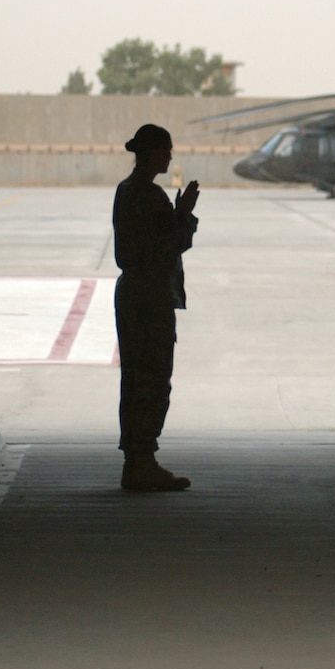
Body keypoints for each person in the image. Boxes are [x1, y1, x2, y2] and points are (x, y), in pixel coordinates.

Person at [113, 124, 200, 491]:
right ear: (150, 154)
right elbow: (171, 245)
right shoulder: (150, 197)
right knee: (152, 380)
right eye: (165, 150)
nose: (169, 157)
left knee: (134, 379)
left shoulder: (125, 190)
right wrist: (185, 213)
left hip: (132, 293)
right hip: (150, 298)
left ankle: (135, 460)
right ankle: (142, 461)